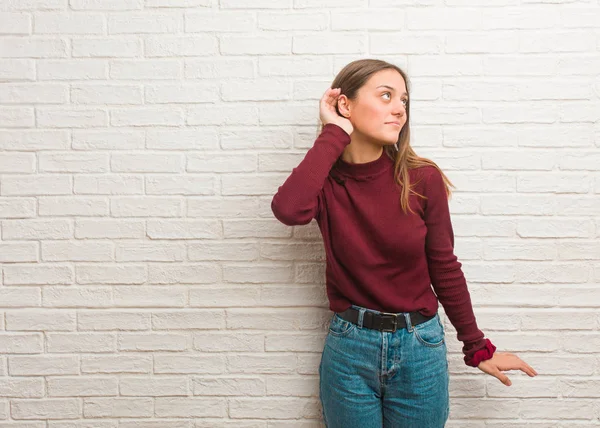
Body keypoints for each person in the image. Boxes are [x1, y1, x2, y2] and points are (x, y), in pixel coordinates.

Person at [270, 59, 538, 427]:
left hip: (420, 348)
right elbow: (288, 209)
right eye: (386, 96)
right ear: (345, 105)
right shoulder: (324, 183)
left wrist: (476, 346)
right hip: (350, 349)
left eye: (404, 101)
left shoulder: (421, 178)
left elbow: (444, 266)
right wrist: (334, 132)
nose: (399, 109)